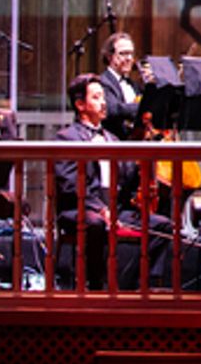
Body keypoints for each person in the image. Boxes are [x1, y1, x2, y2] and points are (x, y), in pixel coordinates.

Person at [53, 73, 171, 289]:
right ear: (80, 104)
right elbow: (70, 186)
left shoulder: (112, 139)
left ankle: (139, 283)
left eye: (104, 97)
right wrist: (100, 209)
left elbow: (125, 181)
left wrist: (141, 158)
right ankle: (96, 284)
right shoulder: (67, 137)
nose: (104, 103)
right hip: (80, 209)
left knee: (162, 225)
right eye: (96, 97)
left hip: (113, 208)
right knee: (95, 224)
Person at [98, 32, 152, 139]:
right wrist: (144, 107)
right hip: (115, 144)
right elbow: (114, 110)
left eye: (131, 54)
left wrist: (151, 85)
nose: (129, 58)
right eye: (123, 53)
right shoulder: (102, 82)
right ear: (109, 57)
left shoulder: (133, 85)